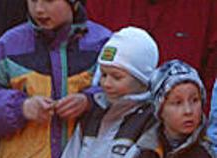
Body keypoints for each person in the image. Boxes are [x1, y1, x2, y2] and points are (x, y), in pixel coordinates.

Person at [0, 0, 111, 158]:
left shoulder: (103, 44)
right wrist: (20, 108)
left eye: (48, 0)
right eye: (32, 0)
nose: (39, 9)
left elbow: (126, 94)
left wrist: (88, 101)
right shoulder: (9, 45)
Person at [45, 27, 159, 158]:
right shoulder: (92, 116)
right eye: (103, 74)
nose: (106, 83)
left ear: (141, 78)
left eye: (116, 77)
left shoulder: (147, 123)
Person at [88, 0, 217, 99]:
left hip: (183, 127)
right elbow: (87, 72)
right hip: (109, 123)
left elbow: (210, 81)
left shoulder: (207, 7)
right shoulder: (102, 5)